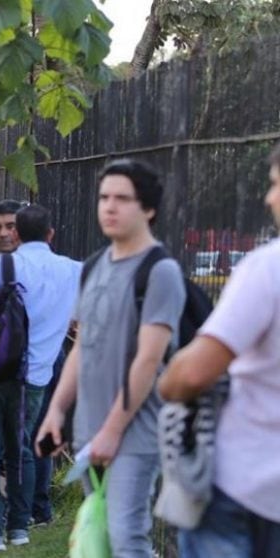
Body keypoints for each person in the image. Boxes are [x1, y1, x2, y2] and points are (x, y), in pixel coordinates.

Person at [37, 159, 186, 558]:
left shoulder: (161, 271)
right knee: (100, 535)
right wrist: (56, 411)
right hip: (89, 430)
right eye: (104, 198)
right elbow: (82, 349)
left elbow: (148, 361)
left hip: (134, 433)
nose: (110, 207)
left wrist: (114, 430)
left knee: (127, 538)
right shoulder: (93, 267)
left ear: (148, 209)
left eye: (122, 199)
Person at [158, 145, 280, 558]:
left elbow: (193, 374)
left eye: (276, 185)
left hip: (245, 486)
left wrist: (168, 381)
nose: (268, 198)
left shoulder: (268, 268)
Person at [0, 204, 81, 551]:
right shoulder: (72, 271)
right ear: (51, 234)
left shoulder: (5, 264)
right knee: (21, 450)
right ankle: (20, 528)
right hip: (35, 377)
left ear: (16, 234)